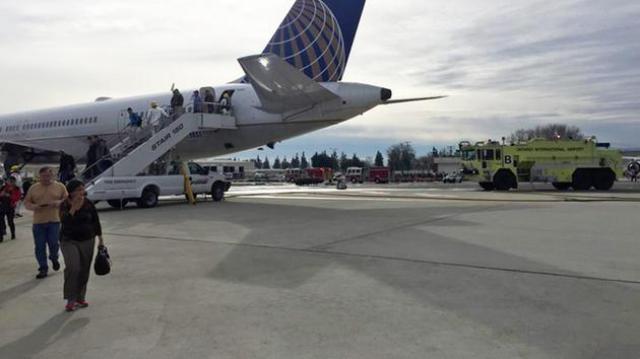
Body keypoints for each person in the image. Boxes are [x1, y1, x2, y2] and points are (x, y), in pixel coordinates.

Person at [59, 180, 104, 312]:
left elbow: (95, 221)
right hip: (68, 240)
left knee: (84, 269)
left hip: (87, 240)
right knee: (73, 268)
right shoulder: (64, 204)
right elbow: (64, 222)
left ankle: (80, 297)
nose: (81, 192)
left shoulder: (89, 203)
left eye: (82, 189)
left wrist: (100, 239)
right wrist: (73, 208)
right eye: (78, 190)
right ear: (71, 192)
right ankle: (70, 299)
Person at [24, 167, 68, 279]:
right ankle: (43, 267)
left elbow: (67, 199)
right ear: (39, 176)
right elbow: (27, 202)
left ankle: (54, 258)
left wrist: (59, 202)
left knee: (54, 244)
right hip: (39, 222)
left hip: (54, 221)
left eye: (48, 176)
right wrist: (34, 206)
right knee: (39, 246)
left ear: (52, 175)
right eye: (43, 176)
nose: (46, 178)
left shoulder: (60, 186)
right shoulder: (33, 188)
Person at [0, 177, 22, 242]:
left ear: (14, 182)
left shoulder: (17, 188)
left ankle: (13, 234)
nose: (10, 183)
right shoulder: (3, 187)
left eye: (12, 181)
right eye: (9, 181)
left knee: (10, 222)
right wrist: (1, 194)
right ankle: (1, 237)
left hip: (10, 207)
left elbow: (17, 198)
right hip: (2, 207)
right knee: (1, 222)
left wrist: (9, 195)